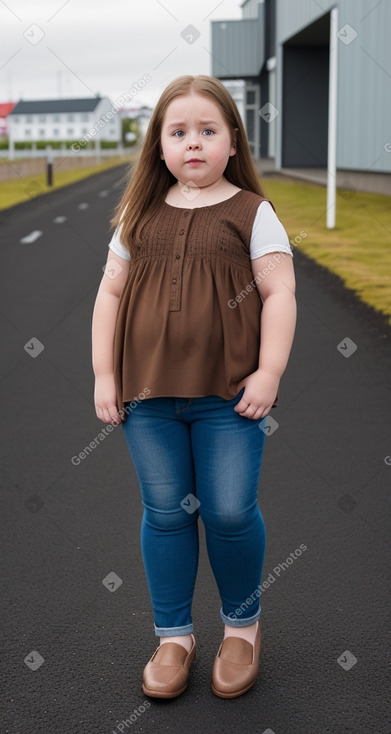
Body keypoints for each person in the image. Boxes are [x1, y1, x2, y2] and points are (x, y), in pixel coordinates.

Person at [91, 74, 296, 700]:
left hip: (230, 396)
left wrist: (268, 372)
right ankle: (175, 637)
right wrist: (105, 373)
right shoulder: (137, 215)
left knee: (229, 510)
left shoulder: (251, 213)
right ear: (159, 146)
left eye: (208, 131)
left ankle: (242, 628)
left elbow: (279, 293)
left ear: (232, 140)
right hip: (148, 397)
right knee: (166, 512)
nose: (194, 144)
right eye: (178, 133)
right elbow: (110, 294)